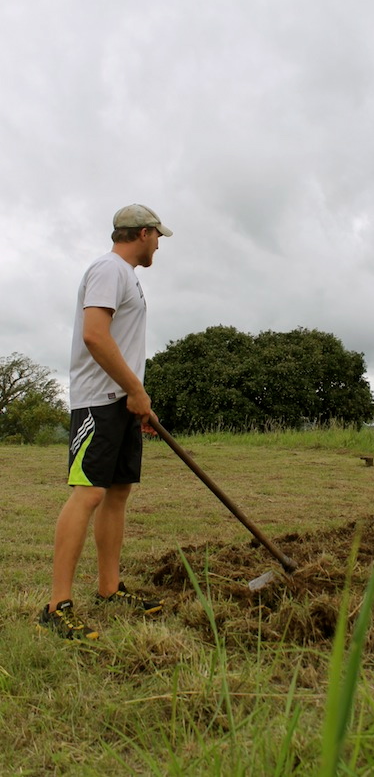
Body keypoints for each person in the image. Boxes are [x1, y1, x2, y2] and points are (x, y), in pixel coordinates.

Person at [37, 204, 173, 640]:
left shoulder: (125, 276)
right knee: (89, 493)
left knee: (117, 492)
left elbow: (120, 343)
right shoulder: (108, 269)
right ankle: (56, 606)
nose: (159, 245)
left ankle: (109, 589)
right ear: (144, 233)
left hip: (122, 401)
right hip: (99, 401)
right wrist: (134, 389)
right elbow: (94, 334)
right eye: (158, 236)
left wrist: (138, 398)